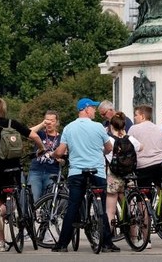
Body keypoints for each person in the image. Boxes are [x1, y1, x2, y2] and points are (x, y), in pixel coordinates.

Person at [51, 98, 120, 253]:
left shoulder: (69, 128)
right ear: (86, 109)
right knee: (101, 207)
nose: (95, 111)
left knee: (73, 207)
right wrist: (99, 152)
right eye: (93, 108)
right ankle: (107, 243)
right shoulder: (98, 127)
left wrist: (53, 155)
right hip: (97, 172)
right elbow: (109, 148)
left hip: (76, 172)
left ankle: (62, 244)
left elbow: (61, 151)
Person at [0, 97, 45, 251]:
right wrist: (41, 148)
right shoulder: (13, 124)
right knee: (14, 197)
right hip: (13, 168)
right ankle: (6, 208)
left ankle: (0, 243)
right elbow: (34, 135)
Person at [105, 112, 143, 238]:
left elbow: (104, 152)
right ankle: (133, 237)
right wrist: (127, 137)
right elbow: (141, 147)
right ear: (124, 126)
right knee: (129, 206)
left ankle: (107, 237)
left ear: (111, 126)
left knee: (110, 210)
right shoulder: (131, 139)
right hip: (129, 176)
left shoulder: (109, 140)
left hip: (114, 176)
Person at [128, 105, 162, 190]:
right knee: (161, 189)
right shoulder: (159, 129)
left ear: (142, 116)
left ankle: (143, 202)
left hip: (143, 166)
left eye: (136, 115)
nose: (134, 118)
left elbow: (129, 148)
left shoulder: (133, 129)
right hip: (159, 164)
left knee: (143, 193)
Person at [28, 110, 62, 204]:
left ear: (57, 122)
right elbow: (27, 133)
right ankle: (34, 218)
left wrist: (61, 160)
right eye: (47, 120)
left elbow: (64, 157)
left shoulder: (61, 138)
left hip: (52, 173)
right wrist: (42, 124)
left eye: (52, 120)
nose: (49, 123)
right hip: (36, 171)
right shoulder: (40, 134)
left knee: (50, 202)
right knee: (33, 199)